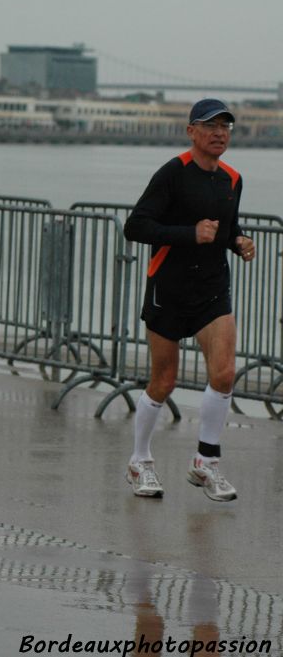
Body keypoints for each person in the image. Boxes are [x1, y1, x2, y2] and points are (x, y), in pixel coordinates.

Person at [123, 98, 255, 502]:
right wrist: (188, 233)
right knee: (165, 381)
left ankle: (206, 462)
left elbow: (225, 229)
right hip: (169, 287)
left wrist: (239, 241)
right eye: (210, 125)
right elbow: (136, 226)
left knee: (225, 373)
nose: (219, 133)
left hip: (213, 288)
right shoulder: (172, 174)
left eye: (225, 127)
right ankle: (139, 461)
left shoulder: (232, 178)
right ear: (191, 132)